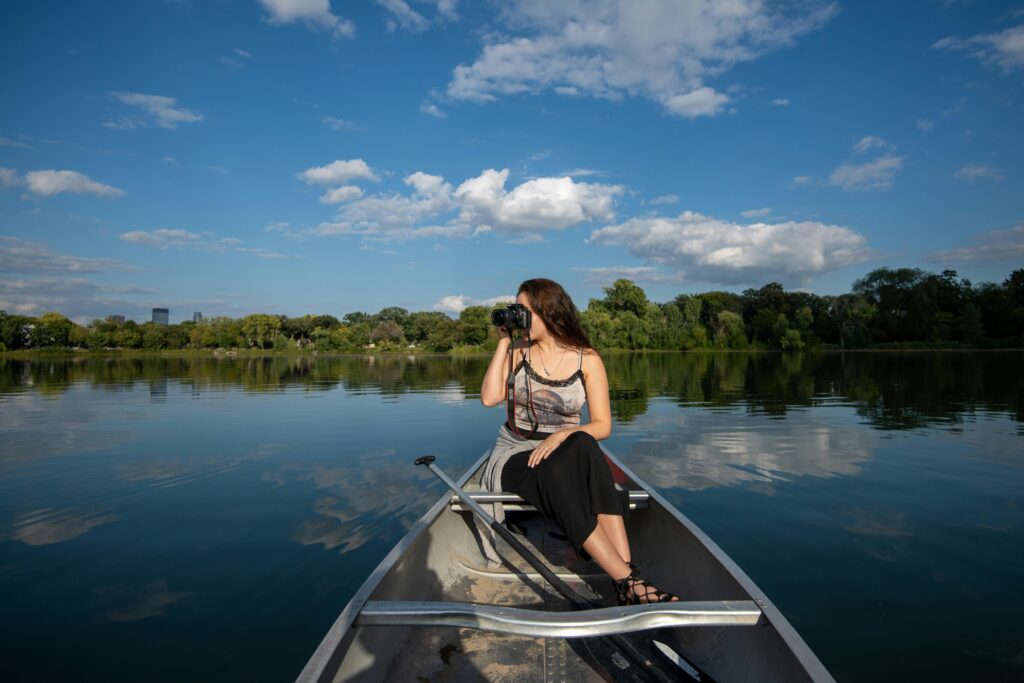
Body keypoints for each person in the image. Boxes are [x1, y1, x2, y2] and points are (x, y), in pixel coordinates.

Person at [479, 278, 678, 605]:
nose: (517, 316)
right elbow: (489, 399)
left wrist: (561, 435)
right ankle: (629, 581)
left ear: (549, 311)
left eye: (523, 311)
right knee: (562, 471)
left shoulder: (588, 359)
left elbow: (602, 426)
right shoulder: (517, 353)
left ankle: (626, 578)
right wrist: (503, 341)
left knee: (584, 444)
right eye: (516, 310)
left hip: (567, 449)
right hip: (516, 451)